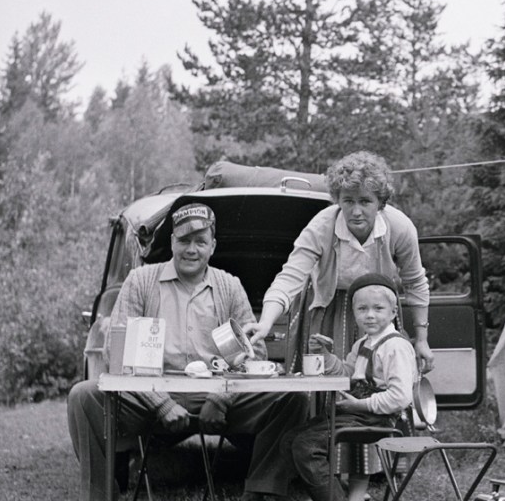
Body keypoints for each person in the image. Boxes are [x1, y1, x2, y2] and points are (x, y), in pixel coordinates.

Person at [67, 203, 308, 501]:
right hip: (149, 395)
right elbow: (116, 351)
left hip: (217, 396)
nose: (191, 249)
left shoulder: (229, 286)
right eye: (184, 240)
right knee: (83, 396)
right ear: (172, 242)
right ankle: (100, 494)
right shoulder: (141, 280)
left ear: (213, 246)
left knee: (293, 399)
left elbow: (254, 352)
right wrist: (161, 404)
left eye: (200, 241)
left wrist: (220, 398)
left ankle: (260, 491)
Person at [246, 151, 434, 375]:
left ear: (380, 203)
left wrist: (422, 339)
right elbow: (289, 278)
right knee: (322, 375)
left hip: (377, 308)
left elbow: (415, 282)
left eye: (365, 201)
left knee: (380, 375)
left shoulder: (400, 227)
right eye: (348, 201)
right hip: (327, 307)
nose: (356, 211)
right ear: (338, 200)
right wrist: (265, 322)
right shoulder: (320, 227)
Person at [281, 273, 418, 501]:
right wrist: (324, 354)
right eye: (362, 309)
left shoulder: (395, 347)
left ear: (393, 312)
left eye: (378, 308)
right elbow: (346, 374)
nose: (370, 315)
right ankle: (335, 494)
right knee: (290, 439)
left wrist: (360, 405)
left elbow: (400, 397)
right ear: (354, 313)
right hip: (356, 414)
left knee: (306, 445)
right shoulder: (362, 343)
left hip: (377, 418)